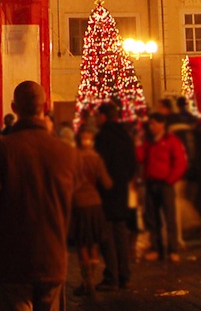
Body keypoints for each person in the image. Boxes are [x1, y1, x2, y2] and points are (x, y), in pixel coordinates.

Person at [0, 81, 77, 311]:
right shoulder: (65, 152)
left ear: (14, 108)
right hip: (52, 255)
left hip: (11, 257)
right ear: (45, 106)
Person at [92, 103, 137, 291]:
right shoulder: (125, 135)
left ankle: (112, 275)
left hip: (107, 191)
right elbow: (133, 163)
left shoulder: (103, 137)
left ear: (103, 116)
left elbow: (100, 165)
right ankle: (125, 275)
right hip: (122, 191)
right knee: (121, 233)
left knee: (107, 236)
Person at [137, 111, 188, 261]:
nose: (151, 127)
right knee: (153, 219)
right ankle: (156, 248)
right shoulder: (149, 142)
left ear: (161, 124)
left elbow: (180, 162)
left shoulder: (171, 141)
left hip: (165, 184)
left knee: (169, 217)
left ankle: (173, 249)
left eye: (153, 124)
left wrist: (170, 179)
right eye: (150, 124)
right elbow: (140, 157)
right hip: (151, 182)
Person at [69, 126, 113, 296]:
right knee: (93, 242)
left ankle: (86, 282)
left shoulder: (73, 157)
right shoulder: (96, 159)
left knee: (82, 243)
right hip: (95, 203)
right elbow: (107, 183)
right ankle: (92, 280)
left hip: (79, 203)